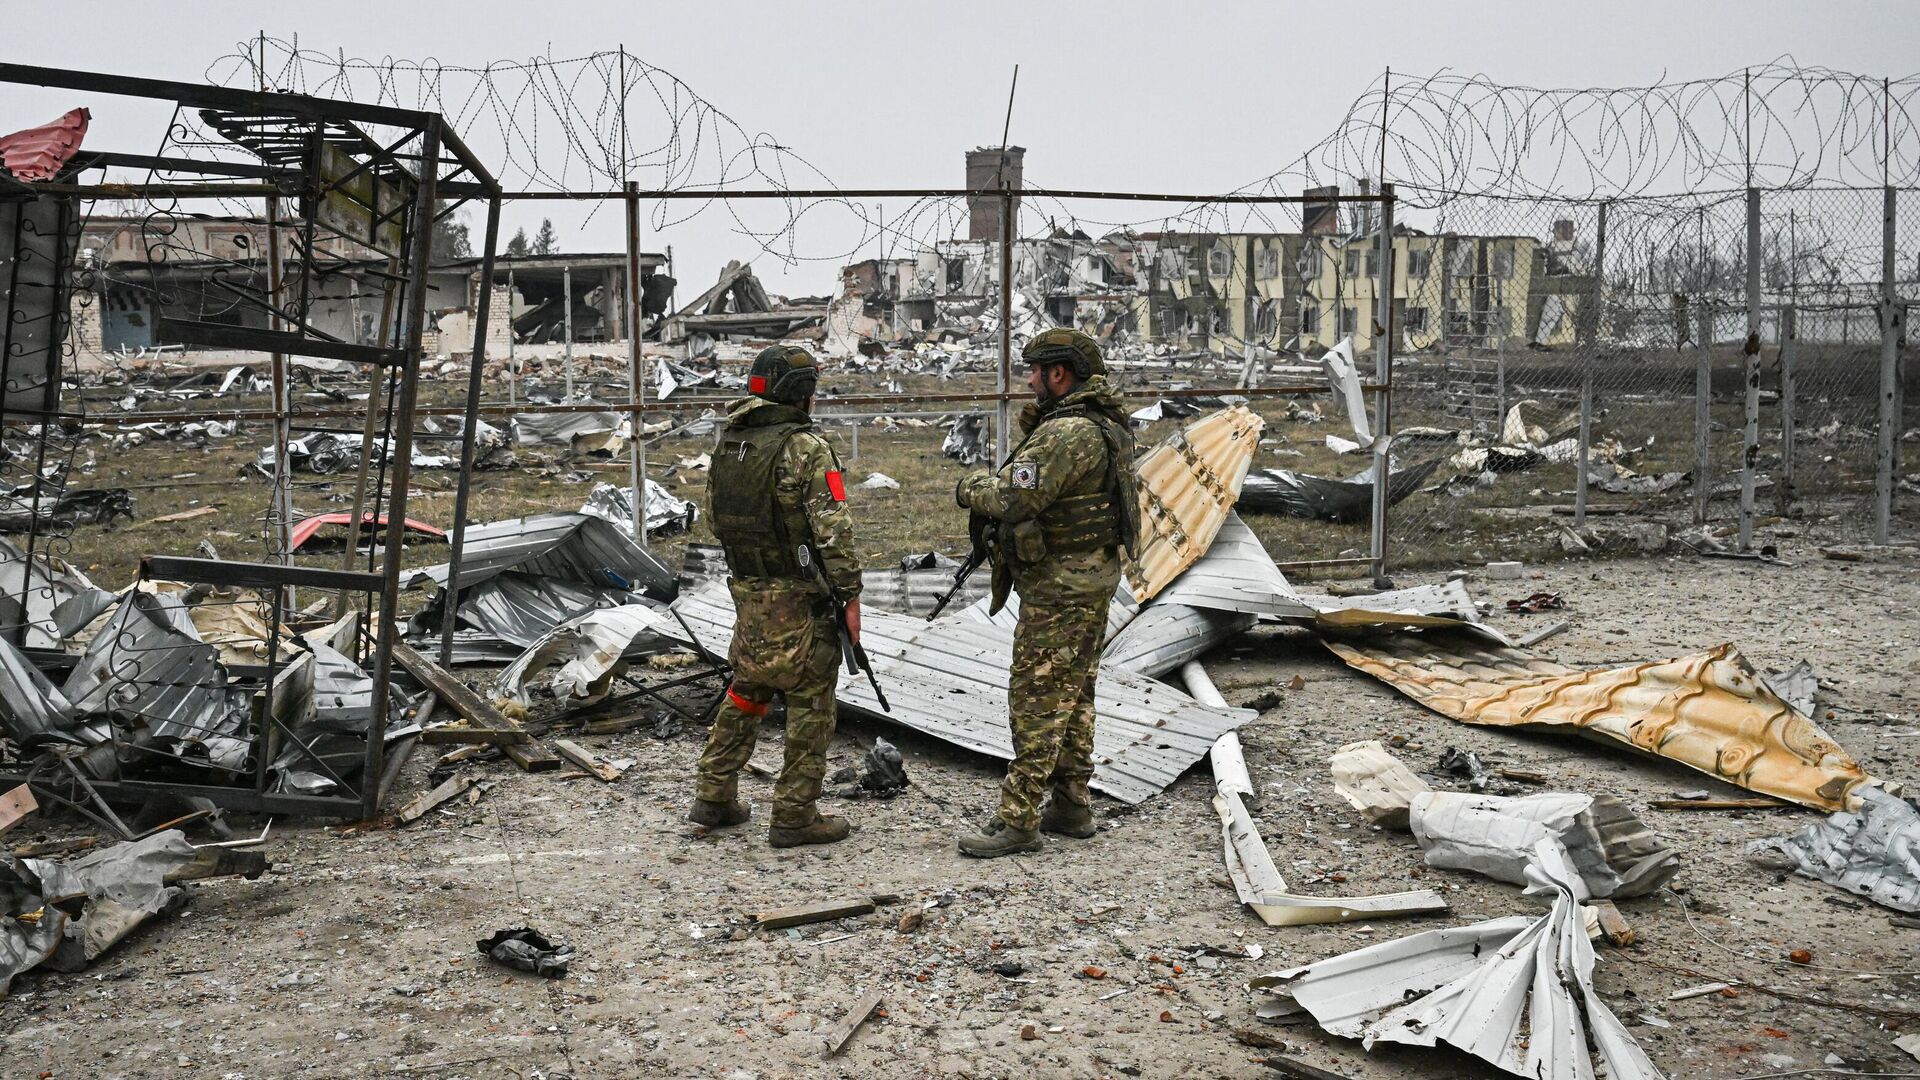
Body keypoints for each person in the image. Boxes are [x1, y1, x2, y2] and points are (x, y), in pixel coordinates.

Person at [952, 328, 1138, 858]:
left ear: (1060, 374)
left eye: (1036, 370)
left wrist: (969, 489)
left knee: (1036, 700)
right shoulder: (1102, 424)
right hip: (1088, 578)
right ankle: (1072, 804)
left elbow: (1013, 497)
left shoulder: (1068, 434)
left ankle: (1019, 819)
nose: (1030, 380)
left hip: (1062, 587)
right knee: (1074, 694)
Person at [689, 344, 862, 848]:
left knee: (749, 686)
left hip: (749, 591)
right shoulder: (806, 448)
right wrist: (849, 595)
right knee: (812, 700)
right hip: (801, 595)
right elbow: (834, 532)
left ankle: (714, 793)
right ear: (803, 394)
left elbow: (713, 519)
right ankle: (794, 814)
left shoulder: (730, 445)